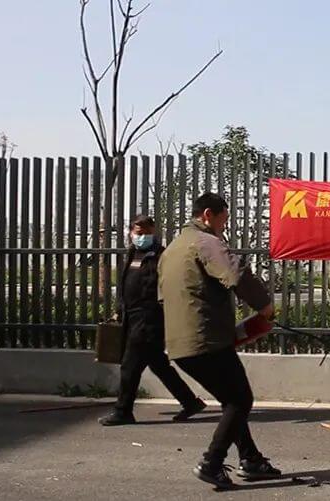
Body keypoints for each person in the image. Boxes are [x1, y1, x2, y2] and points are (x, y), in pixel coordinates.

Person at [158, 193, 281, 489]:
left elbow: (165, 297)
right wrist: (265, 307)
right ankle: (211, 463)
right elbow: (236, 275)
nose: (223, 227)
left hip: (180, 345)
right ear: (208, 215)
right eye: (223, 220)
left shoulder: (172, 249)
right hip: (207, 341)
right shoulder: (205, 242)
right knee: (240, 400)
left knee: (231, 401)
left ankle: (250, 459)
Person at [99, 215, 206, 426]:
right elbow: (127, 284)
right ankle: (190, 402)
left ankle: (123, 411)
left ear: (153, 232)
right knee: (158, 364)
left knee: (130, 366)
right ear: (131, 233)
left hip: (149, 318)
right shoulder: (132, 253)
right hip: (132, 316)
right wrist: (120, 309)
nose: (143, 237)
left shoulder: (161, 255)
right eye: (139, 233)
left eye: (147, 233)